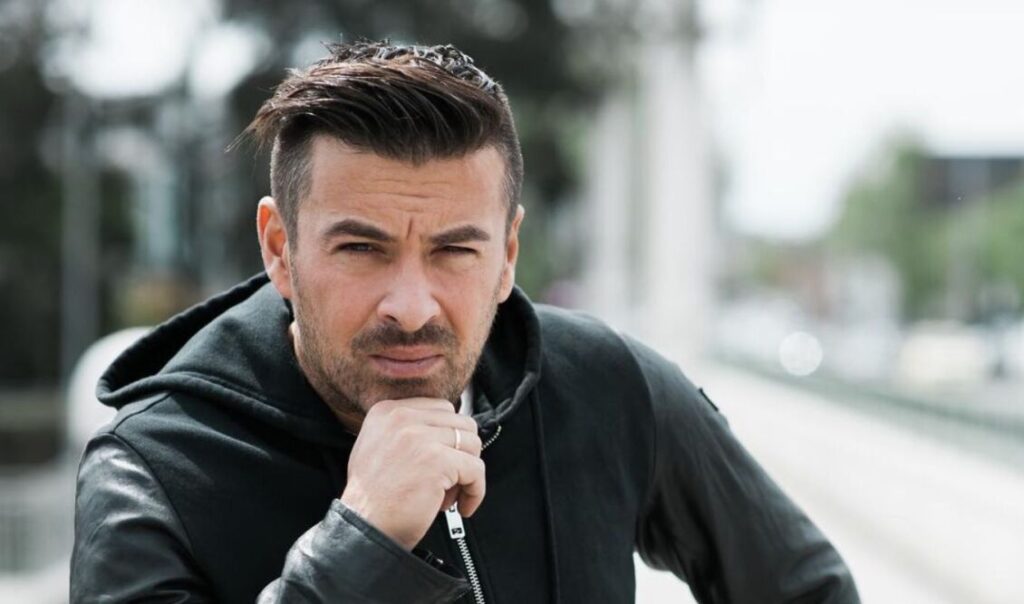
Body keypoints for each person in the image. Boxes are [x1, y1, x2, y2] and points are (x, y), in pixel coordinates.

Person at [71, 40, 859, 603]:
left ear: (508, 253)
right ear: (281, 247)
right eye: (361, 248)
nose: (411, 306)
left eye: (454, 251)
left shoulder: (608, 387)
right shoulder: (152, 471)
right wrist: (359, 543)